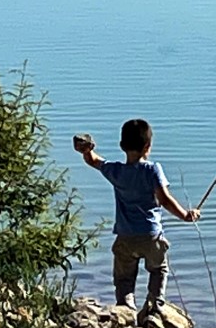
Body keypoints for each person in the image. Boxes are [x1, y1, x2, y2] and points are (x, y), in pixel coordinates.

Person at [76, 118, 200, 314]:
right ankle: (153, 308)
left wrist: (86, 150)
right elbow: (165, 200)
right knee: (158, 270)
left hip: (125, 236)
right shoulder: (152, 169)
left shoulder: (116, 171)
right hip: (151, 236)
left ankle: (125, 309)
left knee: (124, 278)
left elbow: (93, 160)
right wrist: (185, 215)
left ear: (122, 146)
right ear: (147, 147)